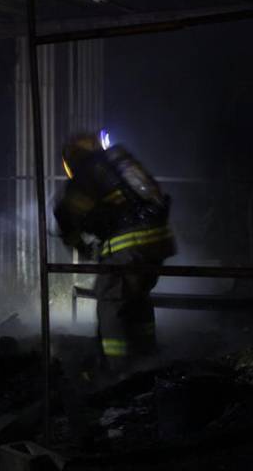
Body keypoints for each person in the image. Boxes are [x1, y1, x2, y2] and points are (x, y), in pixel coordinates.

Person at [53, 131, 175, 372]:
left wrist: (82, 247)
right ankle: (148, 355)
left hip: (128, 244)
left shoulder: (84, 178)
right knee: (138, 296)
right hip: (158, 241)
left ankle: (117, 368)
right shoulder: (118, 162)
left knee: (110, 300)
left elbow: (66, 218)